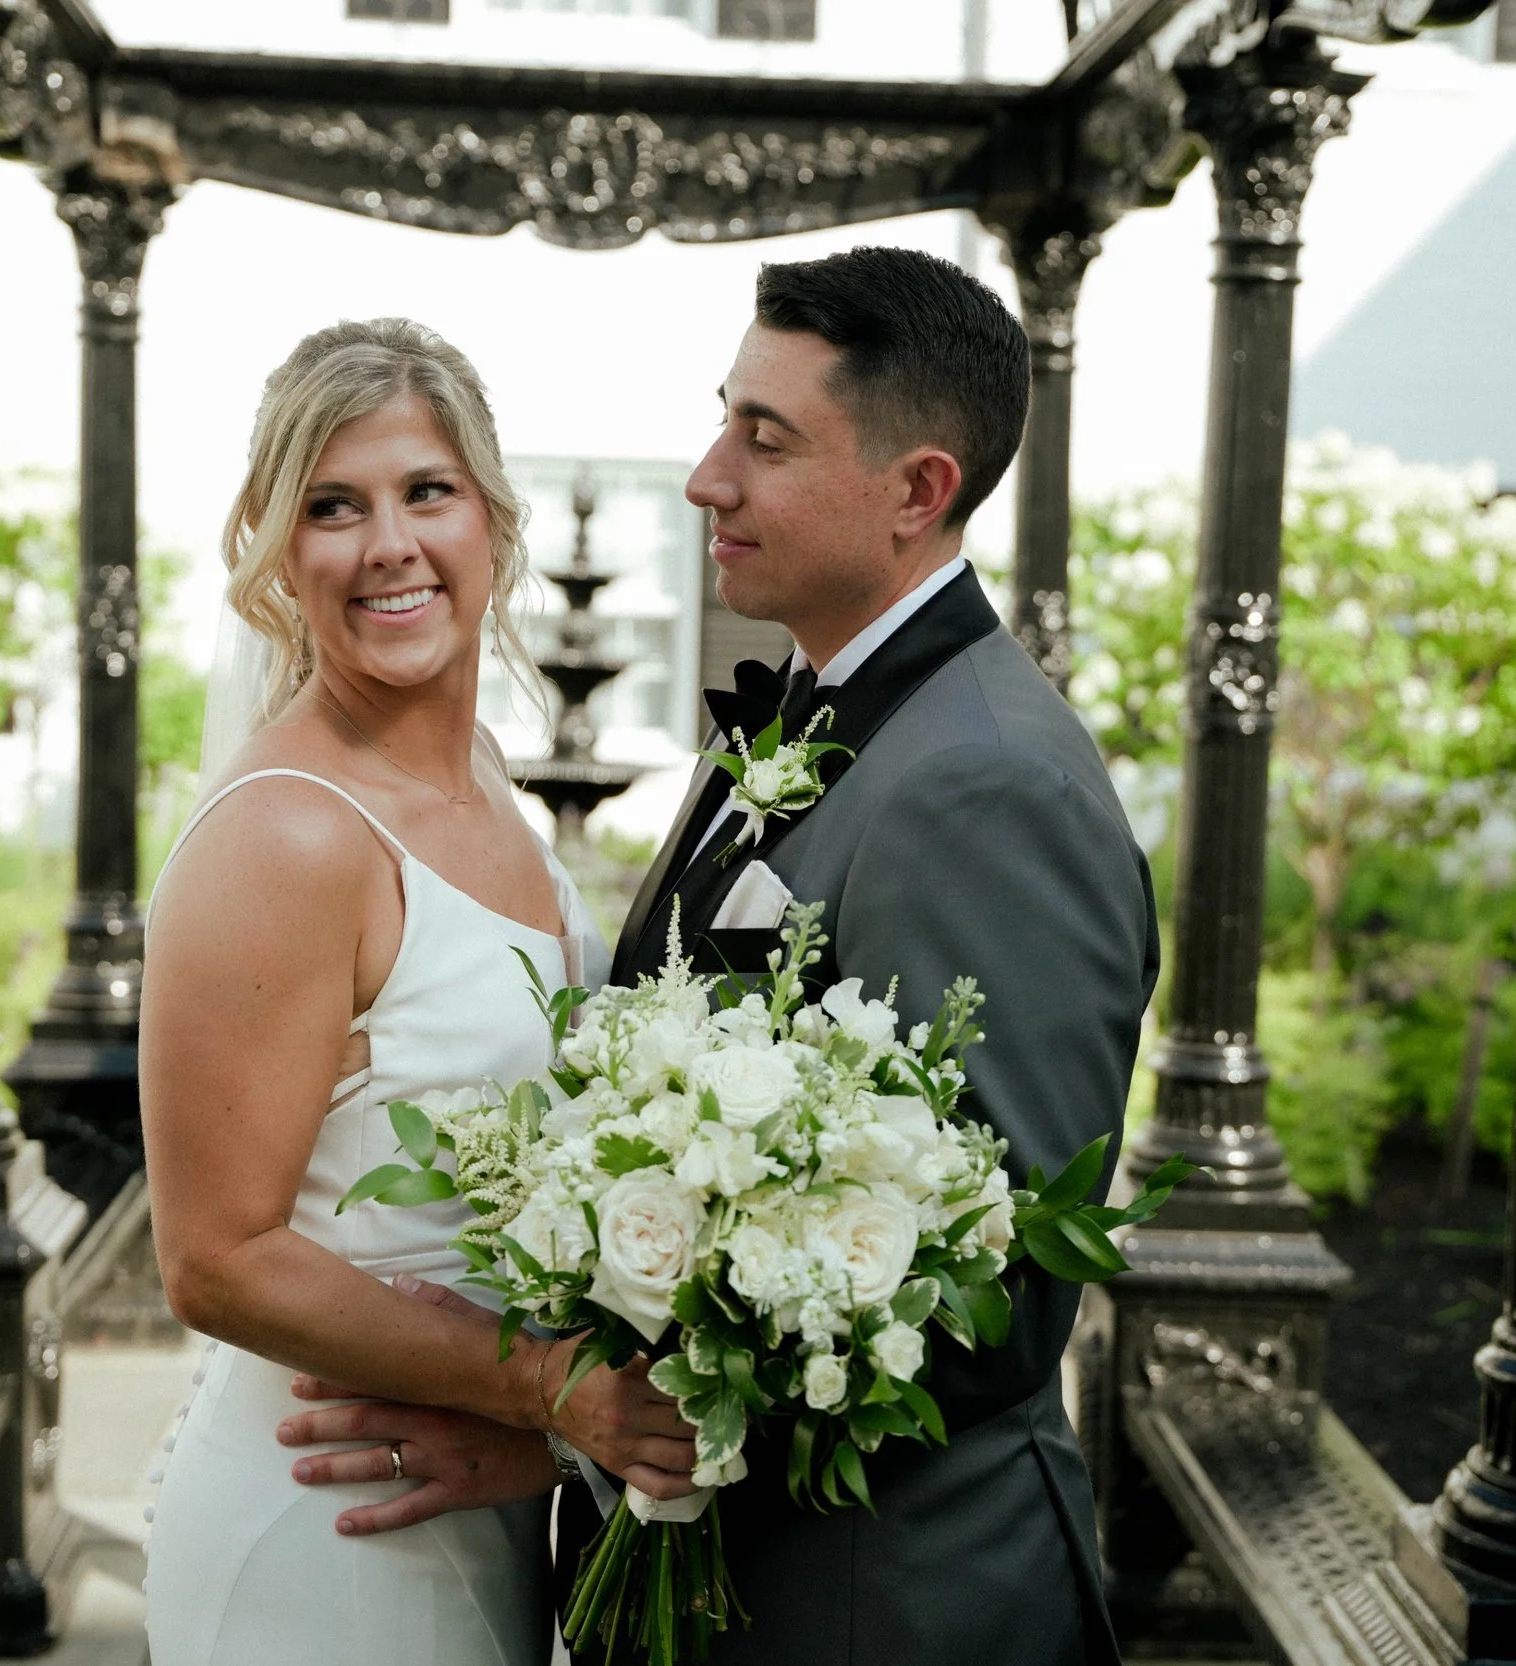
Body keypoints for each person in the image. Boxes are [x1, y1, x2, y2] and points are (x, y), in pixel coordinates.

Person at [284, 248, 1159, 1664]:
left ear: (918, 490)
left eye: (766, 438)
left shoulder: (994, 785)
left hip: (882, 1608)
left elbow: (979, 1302)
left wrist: (574, 1423)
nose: (707, 476)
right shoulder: (807, 708)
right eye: (722, 419)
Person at [138, 318, 700, 1666]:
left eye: (424, 492)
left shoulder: (491, 792)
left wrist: (549, 1427)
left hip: (472, 1505)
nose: (386, 542)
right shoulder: (290, 833)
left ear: (493, 526)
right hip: (322, 1530)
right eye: (334, 506)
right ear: (281, 552)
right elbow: (214, 1256)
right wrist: (558, 1388)